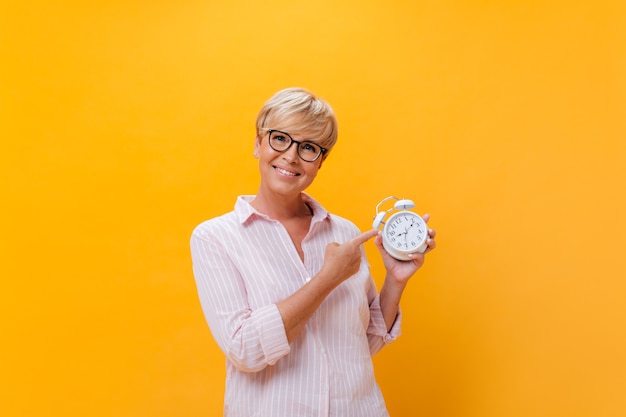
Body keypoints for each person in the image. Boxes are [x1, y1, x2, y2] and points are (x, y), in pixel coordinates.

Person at [190, 87, 436, 417]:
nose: (291, 156)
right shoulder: (215, 238)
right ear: (257, 143)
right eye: (280, 139)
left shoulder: (345, 234)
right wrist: (327, 279)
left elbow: (361, 347)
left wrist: (396, 279)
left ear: (320, 162)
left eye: (308, 147)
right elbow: (245, 351)